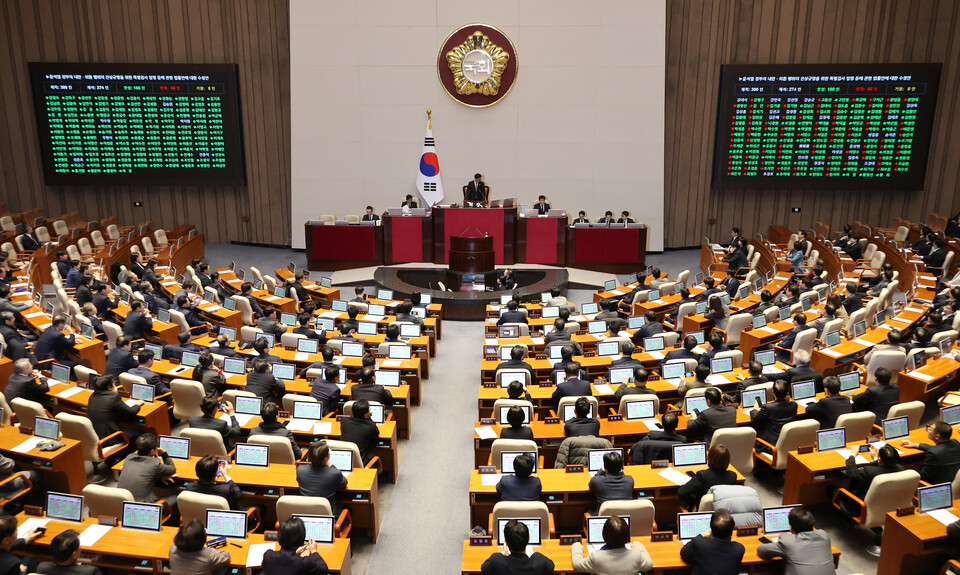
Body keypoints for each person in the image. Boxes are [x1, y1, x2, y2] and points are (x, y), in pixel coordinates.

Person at [757, 507, 837, 575]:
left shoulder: (788, 542)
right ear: (812, 526)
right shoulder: (824, 535)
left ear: (791, 528)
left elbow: (761, 550)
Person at [571, 515, 652, 574]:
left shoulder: (597, 557)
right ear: (628, 536)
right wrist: (638, 545)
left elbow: (577, 564)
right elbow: (649, 565)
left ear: (604, 535)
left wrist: (576, 546)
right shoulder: (636, 555)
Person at [679, 509, 745, 575]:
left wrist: (701, 535)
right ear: (732, 532)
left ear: (710, 528)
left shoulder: (700, 543)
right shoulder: (739, 549)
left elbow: (684, 554)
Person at [117, 434, 177, 504]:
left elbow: (142, 471)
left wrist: (159, 475)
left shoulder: (129, 457)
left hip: (122, 503)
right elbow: (172, 469)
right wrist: (164, 454)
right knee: (177, 498)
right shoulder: (154, 464)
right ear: (152, 451)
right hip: (142, 507)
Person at [480, 519, 554, 575]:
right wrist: (532, 554)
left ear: (505, 542)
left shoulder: (496, 560)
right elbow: (551, 566)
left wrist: (503, 554)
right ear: (528, 539)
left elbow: (484, 568)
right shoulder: (539, 561)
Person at [87, 374, 143, 445]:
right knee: (140, 433)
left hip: (97, 436)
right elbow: (131, 412)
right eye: (114, 385)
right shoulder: (114, 397)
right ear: (110, 388)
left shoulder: (92, 397)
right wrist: (137, 404)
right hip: (111, 438)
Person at [678, 444, 738, 508]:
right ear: (728, 461)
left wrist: (694, 503)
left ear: (709, 459)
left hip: (703, 514)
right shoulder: (732, 476)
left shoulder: (702, 475)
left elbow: (681, 492)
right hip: (723, 513)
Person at [261, 517, 329, 574]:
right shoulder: (305, 562)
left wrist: (295, 553)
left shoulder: (268, 555)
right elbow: (324, 570)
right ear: (301, 538)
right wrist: (314, 551)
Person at [297, 440, 348, 515]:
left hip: (307, 515)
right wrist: (330, 465)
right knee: (348, 508)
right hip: (328, 516)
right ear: (326, 458)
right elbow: (344, 483)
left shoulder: (300, 470)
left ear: (309, 457)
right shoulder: (334, 473)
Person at [751, 379, 798, 450]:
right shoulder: (794, 405)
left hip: (771, 445)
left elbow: (755, 419)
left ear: (773, 392)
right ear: (787, 393)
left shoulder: (768, 407)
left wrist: (755, 409)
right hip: (788, 442)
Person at [35, 528, 103, 574]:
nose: (81, 547)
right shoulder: (90, 572)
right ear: (74, 554)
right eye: (79, 545)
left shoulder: (42, 568)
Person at [341, 399, 379, 465]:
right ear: (365, 415)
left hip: (344, 460)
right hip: (361, 462)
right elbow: (376, 433)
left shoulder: (344, 421)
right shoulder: (370, 426)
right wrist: (369, 418)